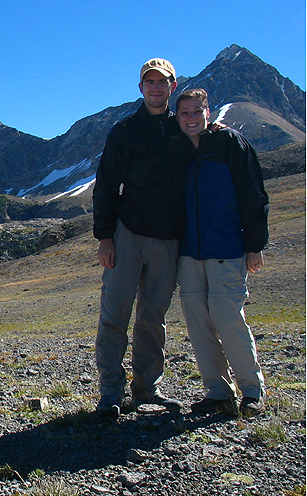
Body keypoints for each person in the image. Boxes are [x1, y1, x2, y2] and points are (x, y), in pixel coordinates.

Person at [91, 59, 187, 418]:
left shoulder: (183, 129)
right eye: (149, 82)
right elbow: (106, 186)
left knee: (153, 317)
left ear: (172, 86)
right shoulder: (125, 131)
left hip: (167, 240)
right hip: (127, 235)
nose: (156, 88)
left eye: (162, 82)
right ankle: (110, 394)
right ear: (141, 88)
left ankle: (147, 390)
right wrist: (105, 238)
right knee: (114, 314)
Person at [174, 88, 269, 417]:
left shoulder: (230, 143)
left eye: (196, 111)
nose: (190, 117)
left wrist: (254, 245)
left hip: (226, 248)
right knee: (198, 323)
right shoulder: (177, 148)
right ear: (177, 117)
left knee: (228, 319)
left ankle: (251, 391)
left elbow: (252, 193)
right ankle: (218, 392)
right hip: (189, 252)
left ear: (208, 113)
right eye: (184, 112)